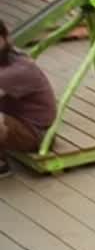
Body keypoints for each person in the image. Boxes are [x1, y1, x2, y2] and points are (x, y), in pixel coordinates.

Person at [0, 19, 56, 178]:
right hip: (13, 121)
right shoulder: (6, 56)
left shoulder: (18, 69)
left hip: (35, 134)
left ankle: (1, 165)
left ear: (6, 38)